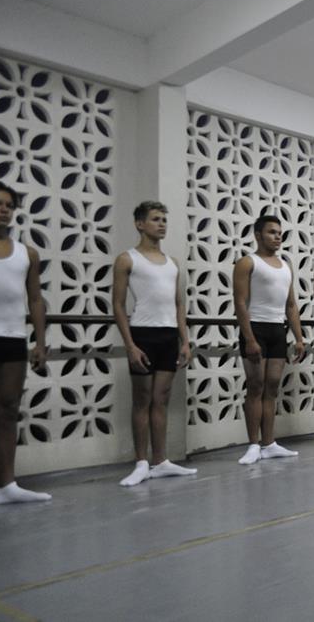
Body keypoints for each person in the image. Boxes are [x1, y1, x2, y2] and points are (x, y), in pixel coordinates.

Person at [112, 201, 196, 485]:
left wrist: (185, 341)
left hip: (168, 335)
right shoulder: (127, 259)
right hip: (143, 334)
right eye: (155, 219)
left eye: (164, 220)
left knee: (161, 399)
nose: (161, 224)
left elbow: (178, 304)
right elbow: (118, 305)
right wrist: (130, 345)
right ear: (140, 224)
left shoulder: (173, 263)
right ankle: (141, 463)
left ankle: (160, 461)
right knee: (142, 400)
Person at [0, 181, 51, 505]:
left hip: (13, 338)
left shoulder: (27, 253)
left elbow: (35, 299)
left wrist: (40, 342)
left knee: (8, 410)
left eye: (9, 205)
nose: (4, 209)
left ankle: (6, 485)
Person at [232, 214, 306, 464]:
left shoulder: (285, 266)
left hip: (277, 330)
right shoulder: (247, 263)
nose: (277, 237)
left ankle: (269, 443)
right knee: (255, 386)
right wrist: (249, 338)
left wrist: (298, 338)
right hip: (255, 328)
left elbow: (291, 305)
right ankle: (253, 445)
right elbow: (240, 303)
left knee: (272, 387)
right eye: (272, 232)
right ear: (258, 235)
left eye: (279, 233)